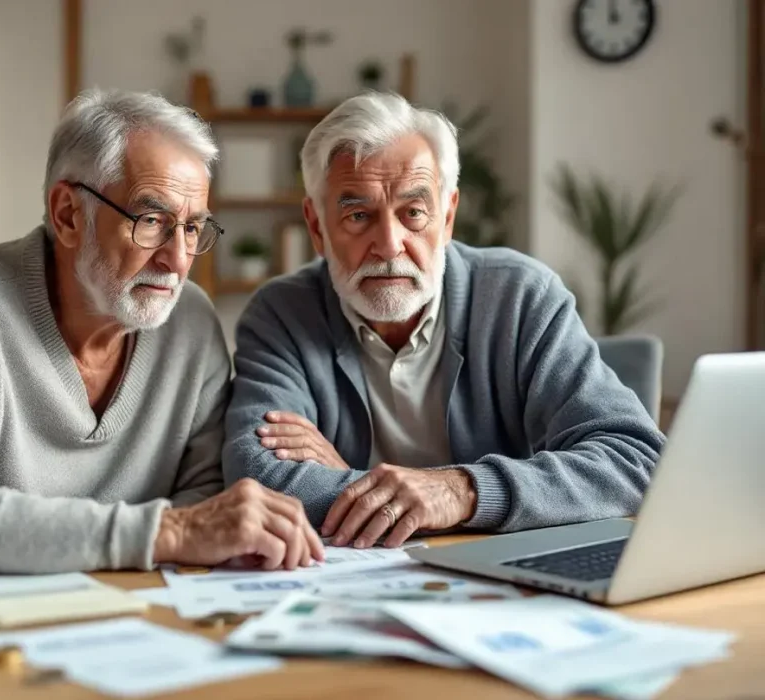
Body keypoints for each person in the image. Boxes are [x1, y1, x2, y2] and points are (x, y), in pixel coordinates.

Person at [0, 88, 323, 574]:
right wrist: (167, 534)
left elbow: (207, 499)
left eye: (191, 228)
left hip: (139, 621)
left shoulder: (191, 322)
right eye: (151, 221)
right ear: (68, 215)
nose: (178, 260)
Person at [223, 92, 665, 550]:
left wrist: (459, 491)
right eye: (358, 215)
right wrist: (393, 495)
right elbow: (257, 478)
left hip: (501, 583)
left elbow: (633, 460)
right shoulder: (281, 314)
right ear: (317, 227)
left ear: (448, 215)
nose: (389, 245)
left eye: (413, 213)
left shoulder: (521, 297)